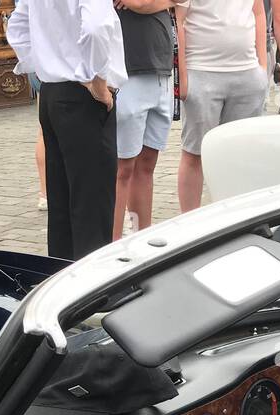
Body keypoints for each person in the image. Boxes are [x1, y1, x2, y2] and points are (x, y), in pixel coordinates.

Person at [8, 0, 127, 260]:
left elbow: (17, 26)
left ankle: (61, 274)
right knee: (92, 207)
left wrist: (44, 63)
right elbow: (96, 27)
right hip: (83, 92)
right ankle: (92, 282)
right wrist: (97, 81)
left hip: (53, 91)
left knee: (61, 204)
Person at [177, 0, 274, 213]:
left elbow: (259, 13)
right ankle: (190, 222)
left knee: (240, 153)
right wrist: (183, 76)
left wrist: (261, 68)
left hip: (247, 72)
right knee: (195, 153)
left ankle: (236, 218)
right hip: (201, 70)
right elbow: (179, 19)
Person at [112, 0, 176, 240]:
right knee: (122, 167)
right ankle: (111, 246)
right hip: (127, 70)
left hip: (160, 67)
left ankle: (141, 238)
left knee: (147, 163)